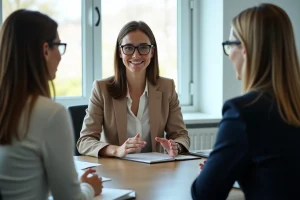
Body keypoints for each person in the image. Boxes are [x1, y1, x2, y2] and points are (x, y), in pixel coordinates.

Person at [191, 3, 300, 200]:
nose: (229, 53)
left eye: (230, 44)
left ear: (245, 49)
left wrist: (212, 173)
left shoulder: (243, 112)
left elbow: (205, 194)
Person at [0, 9, 102, 199]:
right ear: (45, 50)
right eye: (58, 46)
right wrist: (89, 188)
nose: (60, 56)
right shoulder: (50, 114)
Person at [77, 21, 190, 158]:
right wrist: (116, 150)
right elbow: (85, 141)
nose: (136, 55)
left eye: (143, 48)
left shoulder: (167, 88)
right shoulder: (102, 89)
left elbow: (181, 135)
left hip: (155, 172)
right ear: (120, 52)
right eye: (129, 48)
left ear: (152, 52)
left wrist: (175, 147)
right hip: (116, 172)